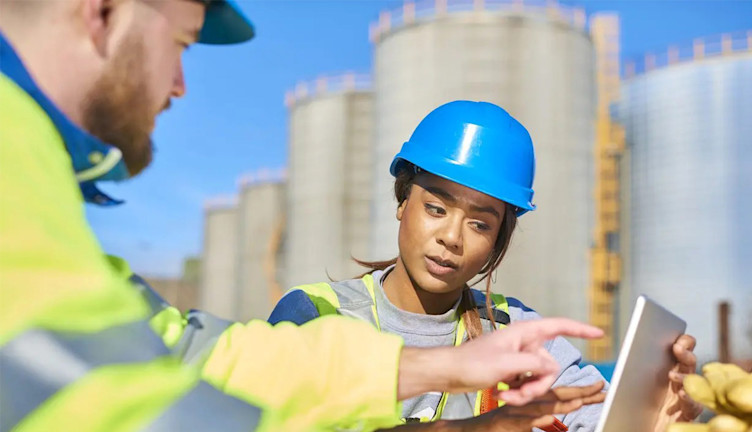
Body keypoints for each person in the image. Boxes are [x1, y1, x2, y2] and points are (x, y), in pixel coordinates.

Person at [0, 1, 608, 431]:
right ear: (101, 10)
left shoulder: (507, 326)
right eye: (182, 42)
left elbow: (187, 355)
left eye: (480, 222)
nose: (181, 83)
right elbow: (134, 401)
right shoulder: (317, 309)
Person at [268, 101, 704, 431]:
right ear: (402, 202)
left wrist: (656, 414)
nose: (452, 238)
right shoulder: (315, 314)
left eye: (479, 223)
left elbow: (593, 414)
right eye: (436, 208)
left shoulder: (515, 330)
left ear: (498, 238)